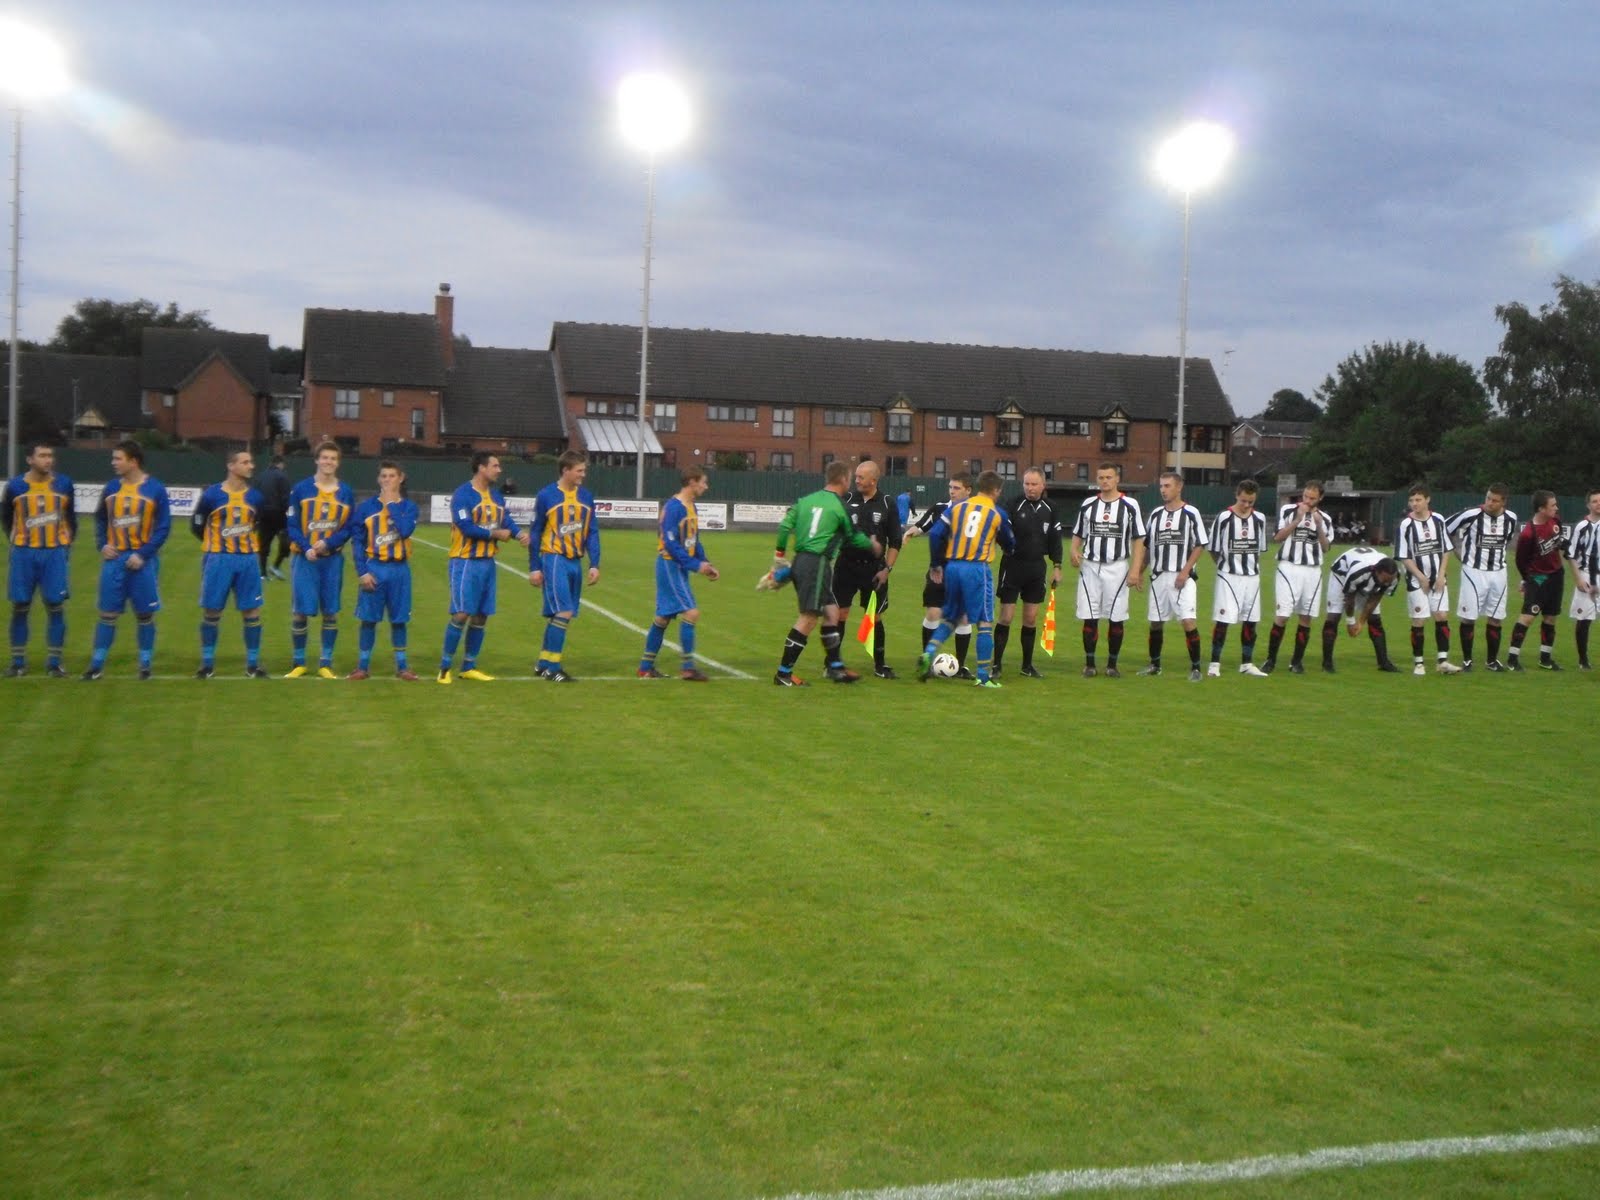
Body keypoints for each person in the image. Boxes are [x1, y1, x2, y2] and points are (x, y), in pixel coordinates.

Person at [771, 461, 880, 686]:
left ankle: (835, 668)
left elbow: (783, 528)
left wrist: (780, 555)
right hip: (817, 563)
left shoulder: (805, 501)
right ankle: (783, 673)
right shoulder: (840, 506)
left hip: (801, 561)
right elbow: (852, 536)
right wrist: (872, 545)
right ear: (842, 479)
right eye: (850, 478)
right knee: (809, 617)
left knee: (831, 612)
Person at [916, 470, 1015, 686]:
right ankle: (983, 677)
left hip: (952, 567)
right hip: (977, 569)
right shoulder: (997, 513)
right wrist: (1007, 548)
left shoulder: (958, 508)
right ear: (997, 490)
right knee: (985, 622)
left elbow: (934, 534)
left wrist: (935, 564)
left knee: (952, 617)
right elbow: (1010, 543)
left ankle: (929, 652)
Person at [84, 440, 171, 680]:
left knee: (145, 615)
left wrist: (142, 554)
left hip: (143, 563)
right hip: (115, 561)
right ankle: (96, 665)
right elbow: (100, 519)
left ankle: (145, 665)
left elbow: (163, 528)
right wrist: (102, 544)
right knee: (107, 614)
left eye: (118, 458)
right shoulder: (111, 488)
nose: (113, 463)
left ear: (133, 462)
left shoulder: (155, 489)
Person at [439, 451, 527, 683]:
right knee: (461, 613)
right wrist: (495, 533)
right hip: (465, 561)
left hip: (487, 563)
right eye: (495, 465)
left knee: (481, 616)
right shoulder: (463, 494)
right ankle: (444, 668)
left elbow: (505, 519)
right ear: (481, 467)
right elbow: (466, 526)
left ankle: (469, 666)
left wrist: (519, 534)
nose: (499, 470)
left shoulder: (496, 496)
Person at [190, 448, 268, 679]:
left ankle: (253, 665)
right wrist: (216, 545)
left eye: (251, 462)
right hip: (218, 559)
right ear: (231, 466)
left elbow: (258, 524)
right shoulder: (212, 495)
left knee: (251, 611)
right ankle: (207, 665)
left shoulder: (256, 498)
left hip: (247, 560)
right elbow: (196, 525)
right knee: (212, 610)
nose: (250, 466)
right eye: (245, 462)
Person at [639, 466, 719, 681]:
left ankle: (646, 667)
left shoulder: (691, 506)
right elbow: (671, 545)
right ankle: (688, 668)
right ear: (692, 482)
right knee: (691, 613)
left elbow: (694, 540)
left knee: (663, 617)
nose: (706, 486)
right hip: (669, 565)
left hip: (678, 566)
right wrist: (695, 566)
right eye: (703, 482)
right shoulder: (674, 508)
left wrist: (705, 562)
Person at [3, 442, 75, 677]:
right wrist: (17, 541)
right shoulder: (15, 487)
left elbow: (71, 519)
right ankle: (17, 663)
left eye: (50, 455)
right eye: (42, 455)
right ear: (30, 460)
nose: (48, 459)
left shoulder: (64, 484)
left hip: (54, 553)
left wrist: (65, 545)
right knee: (20, 607)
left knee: (55, 606)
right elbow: (6, 519)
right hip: (24, 553)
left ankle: (54, 663)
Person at [528, 450, 600, 683]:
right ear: (565, 470)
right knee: (564, 611)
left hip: (575, 562)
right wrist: (534, 566)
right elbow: (536, 531)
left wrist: (595, 563)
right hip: (555, 558)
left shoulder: (586, 497)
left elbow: (592, 531)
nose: (583, 475)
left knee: (558, 614)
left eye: (584, 470)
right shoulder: (547, 495)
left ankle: (543, 663)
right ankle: (554, 668)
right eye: (579, 470)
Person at [284, 441, 355, 678]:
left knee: (330, 611)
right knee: (300, 611)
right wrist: (306, 548)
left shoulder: (345, 492)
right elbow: (292, 525)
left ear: (338, 463)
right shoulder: (301, 490)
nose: (328, 462)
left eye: (333, 459)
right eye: (325, 458)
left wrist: (328, 543)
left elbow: (347, 528)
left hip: (332, 560)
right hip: (304, 559)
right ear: (316, 460)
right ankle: (299, 662)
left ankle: (326, 662)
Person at [1070, 463, 1146, 677]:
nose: (1105, 481)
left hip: (1118, 567)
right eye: (1101, 477)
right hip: (1091, 567)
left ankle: (1112, 665)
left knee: (1116, 616)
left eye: (1109, 477)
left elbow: (1139, 538)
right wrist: (1074, 550)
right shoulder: (1088, 504)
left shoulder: (1130, 505)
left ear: (1117, 479)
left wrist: (1135, 569)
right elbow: (1078, 533)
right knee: (1089, 615)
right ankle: (1090, 664)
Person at [832, 460, 903, 678]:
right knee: (839, 614)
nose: (856, 480)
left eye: (861, 477)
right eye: (856, 477)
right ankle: (832, 663)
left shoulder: (887, 503)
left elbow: (896, 541)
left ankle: (880, 665)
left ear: (874, 480)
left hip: (874, 570)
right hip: (846, 566)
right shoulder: (846, 499)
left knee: (874, 616)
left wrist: (887, 569)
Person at [350, 460, 420, 680]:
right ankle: (362, 667)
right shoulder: (366, 508)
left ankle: (402, 667)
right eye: (384, 476)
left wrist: (391, 505)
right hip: (375, 567)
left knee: (399, 619)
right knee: (369, 619)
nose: (387, 480)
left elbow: (406, 530)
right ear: (379, 479)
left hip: (399, 570)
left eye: (392, 476)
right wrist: (362, 572)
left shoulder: (409, 507)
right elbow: (358, 543)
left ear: (401, 478)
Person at [993, 467, 1063, 679]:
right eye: (1026, 484)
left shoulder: (1051, 508)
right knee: (1006, 616)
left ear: (1043, 485)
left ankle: (1027, 665)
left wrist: (1057, 566)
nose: (1030, 488)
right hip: (1013, 565)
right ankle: (996, 664)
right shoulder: (1013, 504)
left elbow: (1055, 539)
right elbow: (1001, 531)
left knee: (1031, 618)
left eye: (1034, 484)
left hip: (1036, 568)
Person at [1137, 470, 1207, 681]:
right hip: (1159, 577)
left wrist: (1185, 572)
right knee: (1156, 622)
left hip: (1182, 577)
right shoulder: (1156, 515)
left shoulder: (1191, 513)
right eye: (1161, 486)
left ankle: (1196, 668)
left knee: (1188, 620)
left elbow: (1200, 544)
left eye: (1167, 486)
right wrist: (1139, 571)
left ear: (1179, 487)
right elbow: (1148, 547)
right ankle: (1155, 665)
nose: (1163, 490)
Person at [903, 476, 975, 676]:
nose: (952, 491)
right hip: (939, 571)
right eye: (951, 487)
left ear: (968, 490)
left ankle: (960, 666)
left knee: (964, 618)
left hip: (964, 571)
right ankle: (927, 661)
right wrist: (911, 532)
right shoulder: (940, 508)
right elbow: (922, 525)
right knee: (933, 613)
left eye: (957, 487)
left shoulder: (976, 512)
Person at [1445, 483, 1516, 671]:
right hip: (1473, 572)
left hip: (1499, 573)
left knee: (1496, 617)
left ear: (1503, 502)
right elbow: (1444, 529)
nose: (1489, 503)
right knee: (1469, 617)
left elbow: (1505, 542)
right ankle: (1467, 660)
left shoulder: (1511, 519)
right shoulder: (1471, 514)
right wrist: (1458, 551)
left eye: (1495, 500)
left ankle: (1491, 661)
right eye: (1488, 498)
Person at [1264, 480, 1333, 674]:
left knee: (1306, 617)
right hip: (1289, 567)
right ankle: (1270, 660)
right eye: (1305, 497)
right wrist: (1297, 521)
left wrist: (1319, 527)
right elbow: (1277, 538)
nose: (1308, 501)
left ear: (1320, 498)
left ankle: (1296, 662)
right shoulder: (1288, 510)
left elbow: (1326, 548)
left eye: (1312, 498)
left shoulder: (1325, 518)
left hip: (1312, 570)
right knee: (1283, 615)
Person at [1394, 483, 1462, 675]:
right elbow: (1404, 556)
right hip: (1417, 580)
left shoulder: (1439, 520)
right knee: (1419, 620)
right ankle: (1419, 663)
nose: (1414, 504)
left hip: (1438, 579)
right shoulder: (1406, 525)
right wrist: (1421, 577)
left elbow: (1446, 549)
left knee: (1441, 616)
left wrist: (1441, 575)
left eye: (1418, 500)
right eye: (1411, 500)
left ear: (1427, 500)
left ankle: (1443, 661)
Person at [1205, 478, 1270, 677]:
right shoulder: (1224, 517)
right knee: (1223, 620)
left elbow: (1260, 549)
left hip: (1252, 577)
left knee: (1251, 621)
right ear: (1237, 495)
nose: (1246, 505)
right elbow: (1213, 549)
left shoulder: (1259, 519)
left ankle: (1247, 664)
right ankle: (1214, 664)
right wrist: (1224, 567)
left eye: (1251, 502)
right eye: (1243, 501)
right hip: (1228, 576)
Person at [1508, 489, 1566, 671]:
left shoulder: (1556, 521)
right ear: (1541, 508)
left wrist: (1563, 544)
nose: (1556, 508)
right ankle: (1512, 659)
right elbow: (1520, 560)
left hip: (1557, 575)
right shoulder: (1528, 533)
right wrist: (1527, 580)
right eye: (1553, 505)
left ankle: (1545, 659)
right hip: (1538, 578)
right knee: (1528, 617)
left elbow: (1558, 542)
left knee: (1551, 617)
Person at [1320, 546, 1402, 673]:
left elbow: (1376, 597)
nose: (1387, 583)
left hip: (1365, 577)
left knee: (1375, 620)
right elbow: (1349, 597)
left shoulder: (1393, 577)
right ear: (1377, 572)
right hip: (1341, 576)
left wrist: (1361, 622)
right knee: (1333, 618)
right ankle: (1327, 663)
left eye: (1389, 581)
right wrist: (1351, 621)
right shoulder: (1358, 572)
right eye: (1385, 580)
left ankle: (1383, 662)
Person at [1566, 488, 1600, 671]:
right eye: (1595, 501)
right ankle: (1583, 660)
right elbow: (1570, 554)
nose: (1598, 504)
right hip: (1586, 574)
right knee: (1584, 618)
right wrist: (1578, 579)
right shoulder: (1582, 526)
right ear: (1588, 505)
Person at [255, 453, 291, 581]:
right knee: (287, 541)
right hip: (278, 515)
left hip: (263, 515)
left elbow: (255, 495)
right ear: (281, 464)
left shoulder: (260, 476)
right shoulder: (282, 476)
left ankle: (262, 573)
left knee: (263, 544)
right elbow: (286, 497)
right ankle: (276, 566)